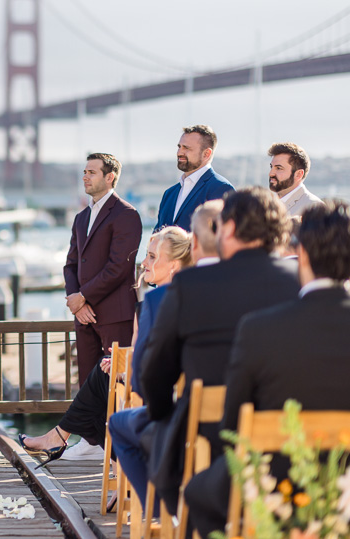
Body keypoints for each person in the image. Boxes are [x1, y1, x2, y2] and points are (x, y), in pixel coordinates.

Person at [184, 201, 350, 537]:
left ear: (303, 255)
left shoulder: (258, 329)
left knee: (198, 491)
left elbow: (233, 426)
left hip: (276, 491)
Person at [131, 187, 300, 514]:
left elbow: (154, 372)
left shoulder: (190, 285)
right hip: (286, 437)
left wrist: (165, 416)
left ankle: (171, 519)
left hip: (209, 437)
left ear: (231, 229)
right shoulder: (300, 281)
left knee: (146, 437)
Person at [19, 227, 192, 465]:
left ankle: (86, 448)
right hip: (165, 392)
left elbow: (162, 360)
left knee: (102, 380)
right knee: (103, 373)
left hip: (160, 398)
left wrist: (123, 366)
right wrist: (123, 362)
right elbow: (145, 353)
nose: (143, 263)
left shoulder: (154, 304)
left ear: (173, 264)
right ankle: (67, 440)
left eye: (152, 256)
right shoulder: (175, 302)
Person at [107, 203, 220, 514]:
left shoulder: (158, 300)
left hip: (182, 419)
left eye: (153, 257)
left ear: (194, 245)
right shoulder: (249, 293)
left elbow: (144, 377)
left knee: (118, 424)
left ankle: (160, 513)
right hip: (235, 419)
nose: (145, 263)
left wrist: (161, 411)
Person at [63, 153, 142, 387]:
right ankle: (90, 426)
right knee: (88, 385)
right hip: (83, 317)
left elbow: (119, 267)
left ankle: (115, 426)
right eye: (85, 172)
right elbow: (71, 265)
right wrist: (76, 302)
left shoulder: (127, 214)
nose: (85, 177)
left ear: (110, 177)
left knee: (118, 384)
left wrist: (83, 296)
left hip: (115, 316)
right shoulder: (81, 218)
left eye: (92, 172)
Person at [154, 125, 234, 231]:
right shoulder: (169, 194)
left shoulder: (222, 189)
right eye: (179, 147)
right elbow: (156, 236)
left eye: (186, 148)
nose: (179, 152)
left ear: (206, 153)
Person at [267, 142, 323, 216]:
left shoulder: (314, 209)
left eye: (279, 168)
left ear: (298, 175)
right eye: (271, 167)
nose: (271, 173)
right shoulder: (267, 205)